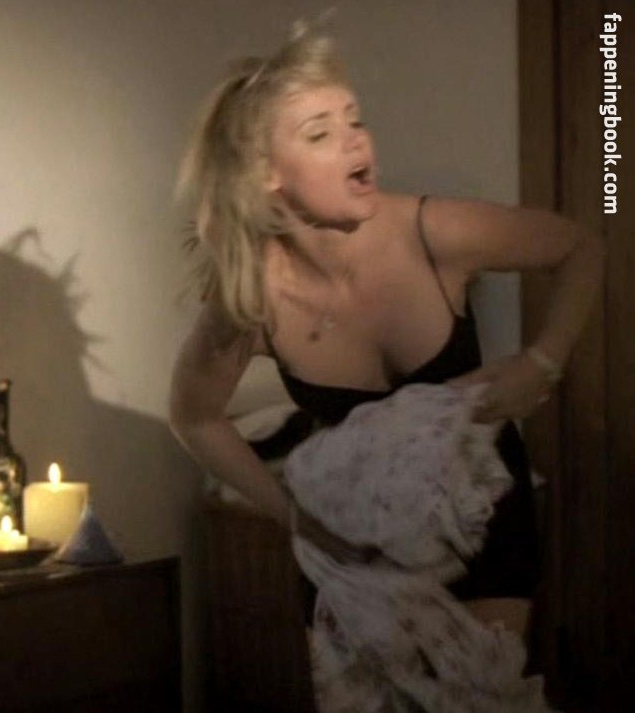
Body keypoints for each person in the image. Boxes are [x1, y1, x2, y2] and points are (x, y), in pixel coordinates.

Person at [168, 22, 604, 644]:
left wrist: (543, 360)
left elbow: (581, 247)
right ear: (266, 174)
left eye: (355, 120)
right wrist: (294, 517)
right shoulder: (253, 295)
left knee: (480, 686)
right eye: (320, 133)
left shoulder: (433, 232)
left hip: (477, 517)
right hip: (355, 544)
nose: (356, 141)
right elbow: (195, 416)